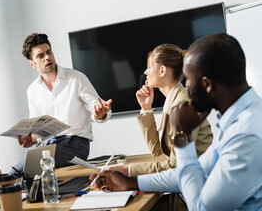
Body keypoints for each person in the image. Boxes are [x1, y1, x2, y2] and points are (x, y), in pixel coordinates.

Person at [90, 33, 262, 210]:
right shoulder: (238, 121)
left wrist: (183, 136)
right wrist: (131, 183)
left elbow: (200, 208)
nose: (186, 87)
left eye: (188, 80)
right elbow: (198, 169)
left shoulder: (246, 135)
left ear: (206, 84)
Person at [107, 44, 212, 178]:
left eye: (149, 67)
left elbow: (176, 165)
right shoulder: (173, 99)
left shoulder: (181, 103)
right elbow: (158, 150)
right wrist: (146, 109)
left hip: (197, 184)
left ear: (162, 70)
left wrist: (128, 169)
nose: (146, 72)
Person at [12, 33, 112, 170]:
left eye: (49, 52)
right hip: (48, 145)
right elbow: (38, 131)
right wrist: (31, 140)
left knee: (24, 169)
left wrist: (100, 114)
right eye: (40, 56)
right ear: (32, 63)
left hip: (75, 145)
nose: (47, 57)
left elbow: (98, 110)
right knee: (19, 173)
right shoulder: (32, 90)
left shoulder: (76, 78)